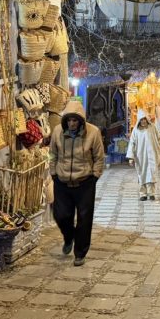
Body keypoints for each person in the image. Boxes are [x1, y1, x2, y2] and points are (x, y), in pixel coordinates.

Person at [49, 101, 105, 266]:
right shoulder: (58, 131)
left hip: (85, 182)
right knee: (60, 214)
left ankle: (80, 252)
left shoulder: (93, 133)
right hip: (62, 181)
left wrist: (94, 176)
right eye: (69, 120)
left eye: (75, 120)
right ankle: (68, 237)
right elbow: (52, 154)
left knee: (84, 219)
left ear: (81, 121)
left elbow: (99, 157)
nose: (72, 123)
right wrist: (53, 172)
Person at [127, 110, 160, 200]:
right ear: (139, 120)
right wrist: (131, 157)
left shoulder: (152, 128)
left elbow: (159, 138)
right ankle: (143, 193)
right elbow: (132, 143)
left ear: (147, 120)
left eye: (144, 119)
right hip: (140, 156)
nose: (143, 121)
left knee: (151, 173)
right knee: (142, 174)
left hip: (152, 155)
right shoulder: (136, 130)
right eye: (141, 119)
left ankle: (151, 193)